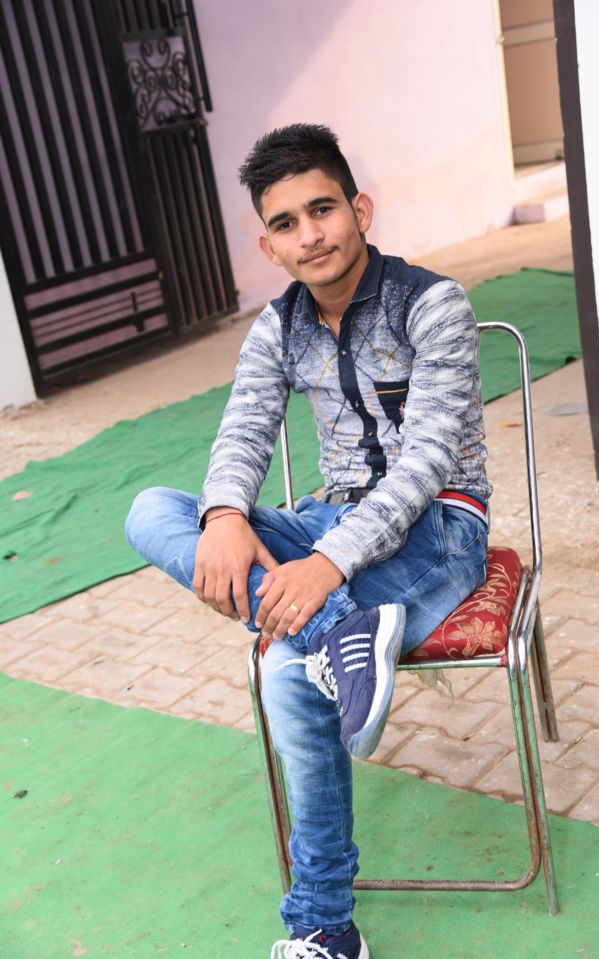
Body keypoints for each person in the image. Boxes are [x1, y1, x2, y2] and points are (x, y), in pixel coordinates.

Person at [125, 123, 491, 959]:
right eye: (286, 223)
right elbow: (244, 430)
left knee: (286, 666)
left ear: (359, 209)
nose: (310, 235)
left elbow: (428, 461)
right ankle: (339, 632)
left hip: (439, 526)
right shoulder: (278, 325)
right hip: (326, 518)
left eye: (322, 209)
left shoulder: (431, 303)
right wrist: (226, 514)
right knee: (153, 509)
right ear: (269, 244)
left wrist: (325, 565)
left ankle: (323, 926)